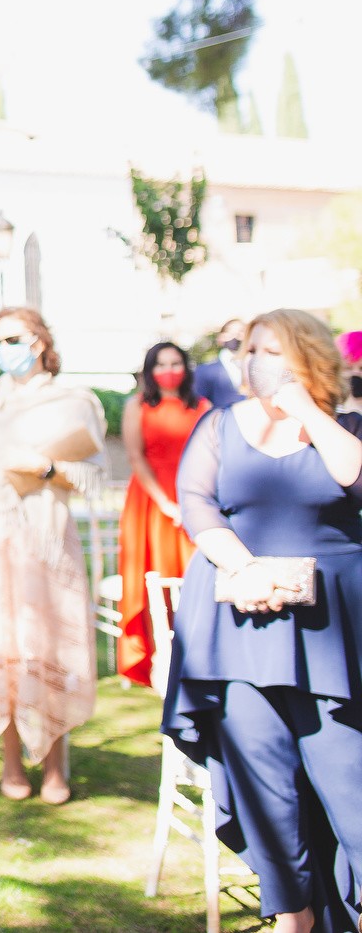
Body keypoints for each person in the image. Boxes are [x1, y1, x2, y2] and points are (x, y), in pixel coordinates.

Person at [163, 309, 362, 933]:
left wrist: (308, 413)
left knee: (352, 791)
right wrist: (245, 568)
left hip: (330, 638)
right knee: (265, 789)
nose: (258, 362)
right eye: (252, 350)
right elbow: (196, 504)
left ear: (310, 359)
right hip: (242, 633)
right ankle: (293, 919)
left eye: (274, 351)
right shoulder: (221, 425)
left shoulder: (345, 426)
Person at [0, 307, 105, 803]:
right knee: (3, 644)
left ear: (37, 340)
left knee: (50, 643)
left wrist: (46, 467)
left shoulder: (73, 400)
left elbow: (93, 474)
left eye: (10, 339)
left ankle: (55, 762)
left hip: (49, 535)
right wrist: (4, 467)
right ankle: (11, 760)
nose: (2, 351)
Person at [116, 341, 206, 687]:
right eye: (161, 363)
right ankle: (157, 655)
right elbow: (136, 457)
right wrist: (166, 503)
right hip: (151, 502)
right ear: (150, 370)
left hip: (192, 496)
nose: (169, 370)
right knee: (154, 576)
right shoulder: (137, 406)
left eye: (176, 362)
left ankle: (195, 657)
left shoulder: (202, 407)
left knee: (191, 575)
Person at [190, 318, 247, 411]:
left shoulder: (255, 367)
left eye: (240, 332)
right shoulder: (205, 371)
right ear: (220, 338)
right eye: (230, 333)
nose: (236, 336)